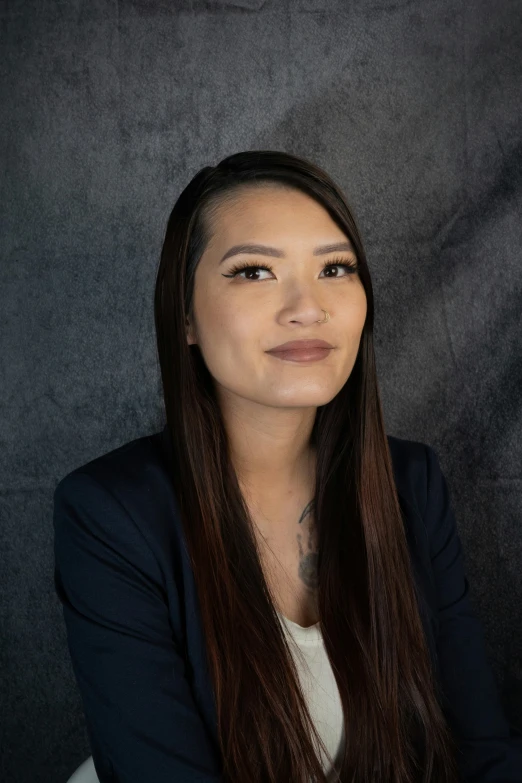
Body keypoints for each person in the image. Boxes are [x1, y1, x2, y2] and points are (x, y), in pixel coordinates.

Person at [53, 150, 522, 783]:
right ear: (185, 316)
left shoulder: (413, 484)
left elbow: (481, 748)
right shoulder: (109, 514)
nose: (309, 306)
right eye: (253, 272)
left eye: (335, 267)